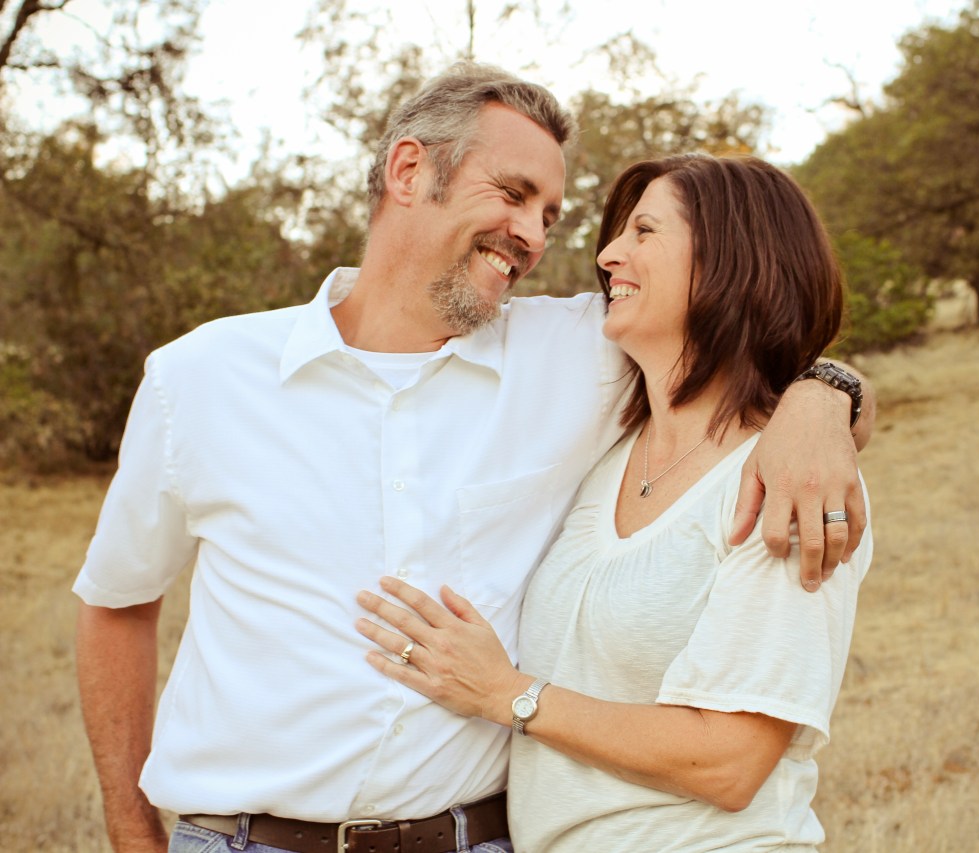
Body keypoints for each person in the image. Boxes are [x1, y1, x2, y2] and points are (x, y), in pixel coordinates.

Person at [73, 64, 873, 853]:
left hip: (471, 838)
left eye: (550, 215)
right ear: (409, 170)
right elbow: (116, 601)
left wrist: (824, 396)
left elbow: (742, 335)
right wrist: (132, 831)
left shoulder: (577, 353)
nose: (536, 237)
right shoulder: (201, 377)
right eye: (514, 194)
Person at [357, 154, 873, 851]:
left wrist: (504, 692)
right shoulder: (606, 451)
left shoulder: (786, 483)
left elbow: (729, 761)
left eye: (645, 232)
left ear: (733, 262)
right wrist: (830, 390)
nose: (608, 256)